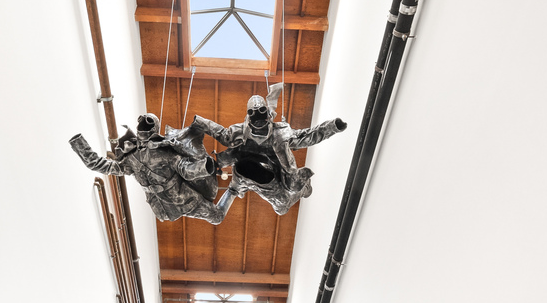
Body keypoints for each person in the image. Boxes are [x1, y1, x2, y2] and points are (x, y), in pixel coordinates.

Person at [191, 83, 347, 216]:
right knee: (280, 207)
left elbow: (308, 136)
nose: (259, 124)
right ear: (248, 118)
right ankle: (299, 188)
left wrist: (332, 126)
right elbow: (220, 133)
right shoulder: (238, 133)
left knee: (286, 199)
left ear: (267, 116)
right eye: (254, 117)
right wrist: (199, 122)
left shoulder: (280, 133)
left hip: (279, 169)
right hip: (246, 168)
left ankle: (303, 187)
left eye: (262, 115)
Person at [70, 113, 229, 224]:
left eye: (147, 123)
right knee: (217, 217)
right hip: (168, 206)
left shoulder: (164, 152)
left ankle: (234, 190)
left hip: (183, 201)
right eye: (144, 123)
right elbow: (97, 165)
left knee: (217, 217)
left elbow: (186, 170)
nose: (143, 127)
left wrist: (205, 166)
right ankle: (235, 189)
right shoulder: (131, 158)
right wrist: (80, 145)